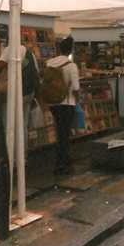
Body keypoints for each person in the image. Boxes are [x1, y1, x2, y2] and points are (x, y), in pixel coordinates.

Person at [0, 44, 40, 161]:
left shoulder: (10, 49)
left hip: (14, 94)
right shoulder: (30, 53)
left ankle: (12, 159)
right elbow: (36, 72)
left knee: (9, 126)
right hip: (28, 93)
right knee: (22, 125)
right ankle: (22, 157)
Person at [46, 37, 79, 175]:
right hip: (67, 103)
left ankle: (59, 165)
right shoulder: (71, 66)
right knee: (65, 135)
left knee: (60, 133)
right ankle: (64, 165)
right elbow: (76, 87)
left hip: (53, 104)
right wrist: (77, 101)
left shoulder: (49, 63)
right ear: (70, 50)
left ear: (59, 48)